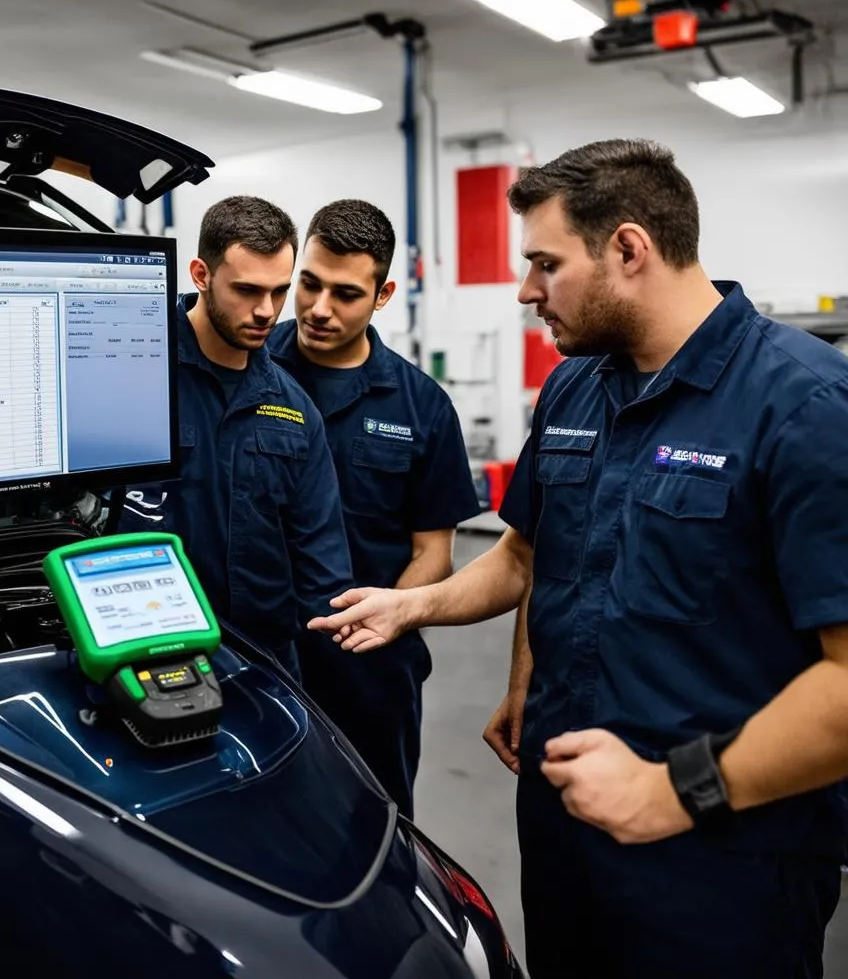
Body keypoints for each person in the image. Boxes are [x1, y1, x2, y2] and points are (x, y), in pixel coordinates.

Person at [307, 139, 848, 978]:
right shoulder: (577, 386)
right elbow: (524, 555)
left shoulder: (804, 406)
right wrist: (414, 605)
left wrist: (674, 792)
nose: (524, 291)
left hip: (722, 851)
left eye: (544, 264)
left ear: (629, 249)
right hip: (564, 813)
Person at [268, 199, 479, 818]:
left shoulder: (421, 407)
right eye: (308, 284)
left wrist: (384, 621)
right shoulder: (251, 370)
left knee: (375, 826)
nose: (319, 309)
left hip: (369, 667)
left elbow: (432, 553)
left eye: (345, 294)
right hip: (258, 655)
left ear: (383, 294)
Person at [114, 195, 353, 679]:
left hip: (263, 664)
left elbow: (321, 559)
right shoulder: (130, 374)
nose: (267, 311)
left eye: (279, 291)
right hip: (144, 650)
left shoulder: (295, 411)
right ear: (201, 275)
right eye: (246, 290)